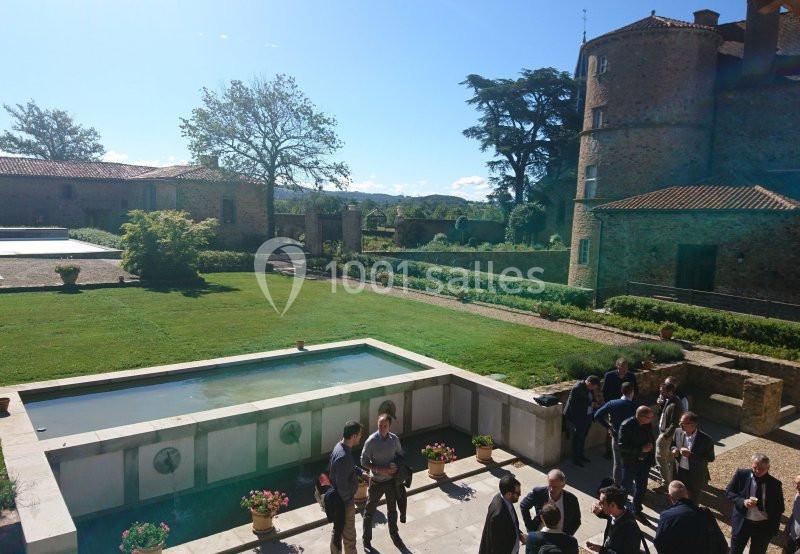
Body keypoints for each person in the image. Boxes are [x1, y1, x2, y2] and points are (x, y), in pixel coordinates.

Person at [725, 453, 785, 554]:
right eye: (755, 467)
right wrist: (742, 501)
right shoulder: (741, 474)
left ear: (768, 467)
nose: (757, 471)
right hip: (742, 522)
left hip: (763, 526)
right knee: (735, 551)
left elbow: (780, 507)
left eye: (761, 469)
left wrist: (764, 507)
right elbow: (728, 492)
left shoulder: (774, 484)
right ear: (751, 464)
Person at [360, 413, 404, 550]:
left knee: (392, 510)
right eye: (380, 425)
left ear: (389, 426)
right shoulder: (371, 441)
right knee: (369, 512)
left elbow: (401, 455)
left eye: (385, 426)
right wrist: (379, 469)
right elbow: (363, 461)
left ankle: (394, 534)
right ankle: (366, 540)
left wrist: (396, 465)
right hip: (377, 482)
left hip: (391, 482)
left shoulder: (394, 439)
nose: (382, 428)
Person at [654, 480, 727, 554]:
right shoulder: (705, 513)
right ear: (687, 494)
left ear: (670, 497)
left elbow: (659, 542)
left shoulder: (666, 516)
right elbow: (720, 540)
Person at [328, 420, 364, 554]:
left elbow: (347, 469)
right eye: (359, 435)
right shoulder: (344, 456)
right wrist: (349, 500)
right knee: (349, 537)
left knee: (337, 531)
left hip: (337, 500)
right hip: (344, 502)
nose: (360, 437)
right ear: (353, 436)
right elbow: (343, 485)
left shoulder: (339, 447)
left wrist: (360, 472)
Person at [594, 381, 637, 485]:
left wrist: (608, 427)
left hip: (616, 436)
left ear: (621, 391)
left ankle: (617, 486)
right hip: (630, 439)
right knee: (628, 464)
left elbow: (597, 416)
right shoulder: (634, 406)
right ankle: (627, 484)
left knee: (617, 463)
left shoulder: (612, 403)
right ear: (632, 392)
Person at [618, 406, 655, 523]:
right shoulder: (626, 425)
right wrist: (641, 450)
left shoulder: (647, 424)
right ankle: (620, 512)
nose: (651, 419)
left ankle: (636, 510)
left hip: (644, 462)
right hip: (630, 462)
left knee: (641, 487)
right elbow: (622, 447)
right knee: (626, 487)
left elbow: (651, 440)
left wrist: (651, 457)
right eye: (649, 417)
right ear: (640, 416)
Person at [519, 469, 581, 536]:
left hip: (561, 538)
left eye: (555, 487)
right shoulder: (539, 493)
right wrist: (530, 529)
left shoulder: (571, 499)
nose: (551, 490)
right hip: (540, 536)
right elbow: (523, 505)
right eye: (549, 485)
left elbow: (576, 520)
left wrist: (568, 536)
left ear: (563, 485)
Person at [670, 411, 714, 503]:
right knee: (679, 496)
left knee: (694, 498)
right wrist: (674, 450)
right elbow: (673, 444)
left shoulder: (706, 440)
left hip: (695, 473)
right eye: (680, 422)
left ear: (693, 424)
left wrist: (691, 456)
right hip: (679, 471)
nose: (680, 425)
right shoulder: (678, 432)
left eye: (683, 423)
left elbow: (710, 458)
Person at [480, 474, 526, 554]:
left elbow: (510, 524)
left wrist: (519, 534)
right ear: (508, 494)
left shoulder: (503, 498)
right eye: (518, 493)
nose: (520, 495)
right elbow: (497, 547)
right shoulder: (498, 515)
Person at [602, 359, 639, 460]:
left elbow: (636, 390)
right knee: (611, 427)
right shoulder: (609, 376)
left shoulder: (631, 376)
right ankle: (609, 450)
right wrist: (610, 405)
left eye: (626, 367)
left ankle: (625, 447)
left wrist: (631, 403)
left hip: (627, 405)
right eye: (622, 367)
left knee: (627, 426)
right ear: (617, 366)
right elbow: (605, 391)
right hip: (614, 406)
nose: (624, 369)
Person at [563, 374, 601, 467]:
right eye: (592, 387)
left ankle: (581, 455)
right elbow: (575, 404)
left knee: (583, 437)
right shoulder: (577, 388)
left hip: (587, 416)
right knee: (577, 438)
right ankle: (575, 458)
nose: (593, 389)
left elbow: (591, 397)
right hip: (579, 418)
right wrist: (590, 403)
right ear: (588, 382)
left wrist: (594, 402)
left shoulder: (589, 388)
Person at [597, 484, 644, 554]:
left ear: (613, 505)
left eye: (602, 502)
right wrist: (598, 513)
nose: (599, 503)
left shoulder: (630, 529)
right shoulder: (615, 514)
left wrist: (601, 550)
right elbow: (608, 516)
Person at [655, 381, 683, 486]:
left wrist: (665, 436)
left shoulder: (675, 403)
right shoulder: (668, 400)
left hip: (667, 434)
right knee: (668, 458)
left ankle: (666, 482)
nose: (661, 393)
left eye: (663, 391)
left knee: (660, 457)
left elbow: (674, 423)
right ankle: (670, 481)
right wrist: (661, 405)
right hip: (664, 431)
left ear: (670, 391)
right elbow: (663, 414)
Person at [784, 474, 800, 554]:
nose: (796, 487)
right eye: (796, 483)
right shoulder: (797, 496)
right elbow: (794, 514)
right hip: (793, 536)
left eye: (799, 484)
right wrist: (788, 528)